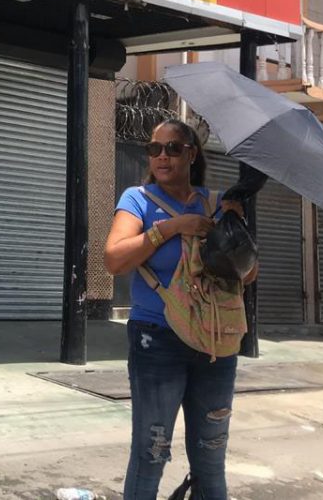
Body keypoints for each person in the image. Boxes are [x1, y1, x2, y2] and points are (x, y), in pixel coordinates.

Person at [104, 119, 260, 500]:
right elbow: (114, 259)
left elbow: (250, 274)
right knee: (151, 451)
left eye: (173, 148)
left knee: (210, 456)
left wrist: (233, 227)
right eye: (154, 149)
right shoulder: (137, 199)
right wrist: (171, 228)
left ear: (191, 154)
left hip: (215, 345)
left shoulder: (217, 202)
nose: (162, 156)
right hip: (156, 342)